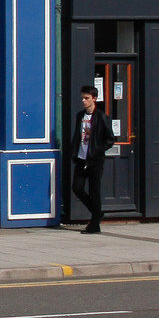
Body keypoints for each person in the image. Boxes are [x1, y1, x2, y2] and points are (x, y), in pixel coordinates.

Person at [66, 84, 111, 233]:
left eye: (86, 98)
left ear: (94, 99)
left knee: (94, 190)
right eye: (82, 98)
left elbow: (110, 138)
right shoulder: (80, 116)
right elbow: (77, 135)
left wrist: (99, 150)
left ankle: (94, 224)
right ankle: (97, 213)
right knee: (77, 187)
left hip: (95, 160)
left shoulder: (101, 116)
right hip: (81, 157)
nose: (83, 101)